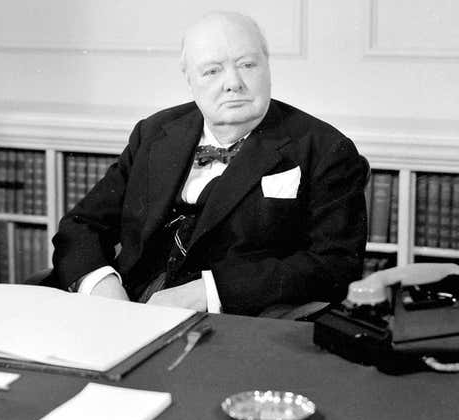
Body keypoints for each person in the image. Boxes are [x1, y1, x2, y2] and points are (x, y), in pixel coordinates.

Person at [49, 11, 368, 316]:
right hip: (129, 307)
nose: (233, 83)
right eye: (212, 70)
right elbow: (81, 224)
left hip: (238, 323)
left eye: (247, 64)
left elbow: (335, 265)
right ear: (189, 79)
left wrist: (208, 292)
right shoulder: (154, 132)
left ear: (267, 67)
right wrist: (103, 287)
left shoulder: (326, 148)